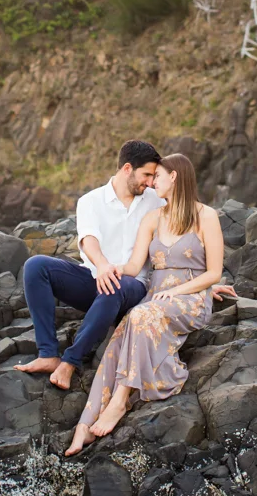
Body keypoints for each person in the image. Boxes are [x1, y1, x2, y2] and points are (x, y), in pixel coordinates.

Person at [65, 152, 237, 456]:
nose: (151, 181)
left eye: (157, 176)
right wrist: (111, 268)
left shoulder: (206, 216)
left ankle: (120, 400)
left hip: (189, 298)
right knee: (121, 336)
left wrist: (181, 290)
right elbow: (134, 265)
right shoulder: (153, 217)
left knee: (140, 315)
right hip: (155, 297)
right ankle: (85, 423)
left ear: (174, 177)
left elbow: (213, 272)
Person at [14, 140, 165, 391]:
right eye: (146, 174)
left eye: (152, 176)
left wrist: (191, 283)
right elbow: (88, 239)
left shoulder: (155, 201)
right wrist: (103, 265)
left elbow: (177, 241)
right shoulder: (90, 201)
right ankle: (48, 354)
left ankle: (70, 362)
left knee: (115, 285)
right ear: (127, 168)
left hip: (133, 286)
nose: (150, 182)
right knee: (35, 266)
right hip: (94, 279)